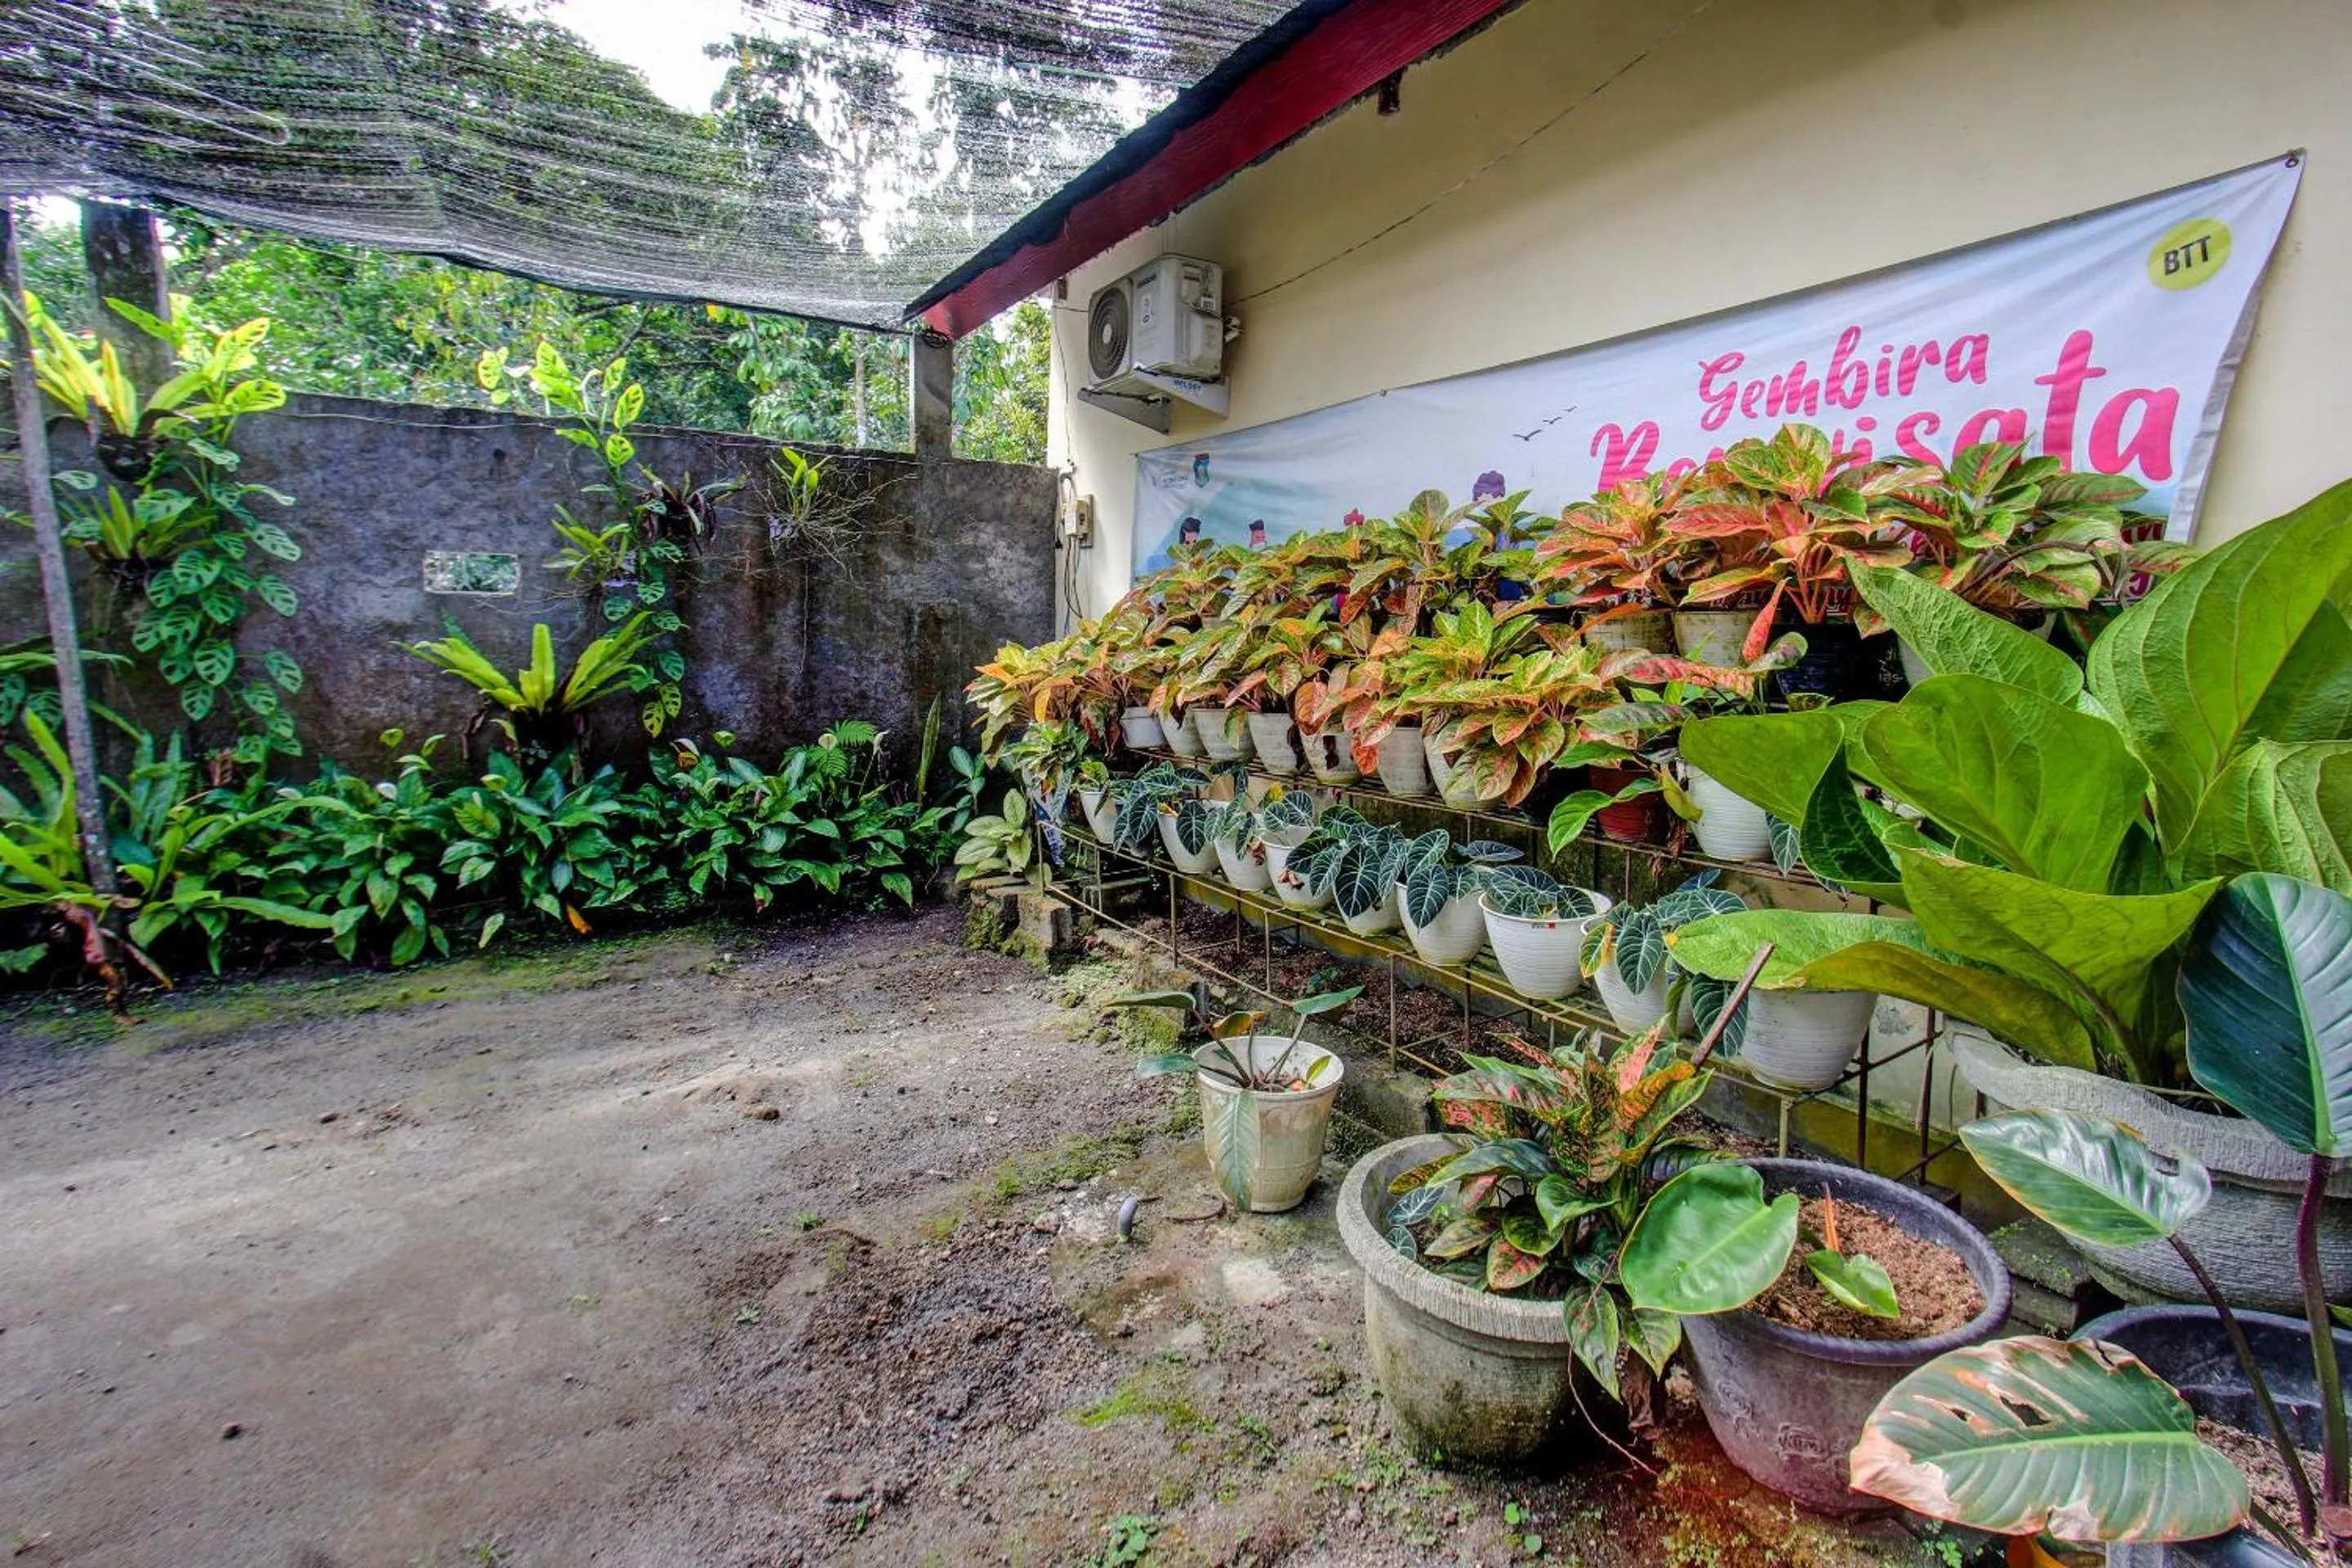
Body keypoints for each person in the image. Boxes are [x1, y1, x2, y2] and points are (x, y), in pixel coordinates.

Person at [1138, 515, 1204, 575]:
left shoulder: (1199, 558)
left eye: (1195, 542)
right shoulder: (1171, 559)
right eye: (1187, 543)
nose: (1191, 546)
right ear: (1182, 541)